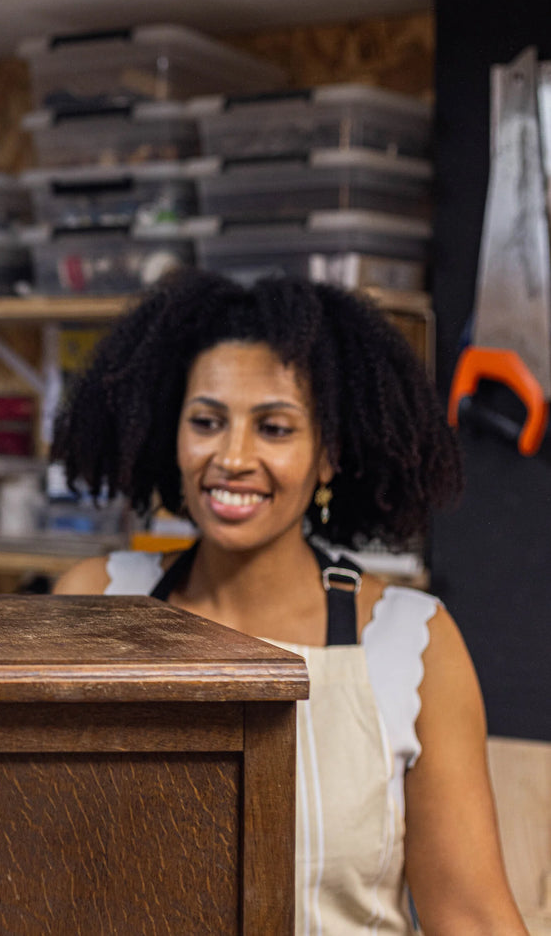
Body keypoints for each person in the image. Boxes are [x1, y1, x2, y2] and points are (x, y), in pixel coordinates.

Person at [51, 269, 527, 934]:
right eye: (206, 422)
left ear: (327, 456)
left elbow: (472, 917)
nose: (232, 457)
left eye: (274, 428)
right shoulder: (96, 602)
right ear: (172, 433)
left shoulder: (408, 642)